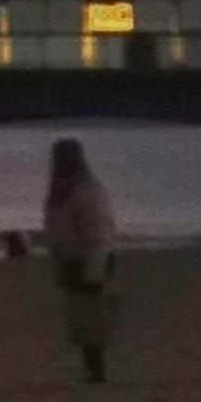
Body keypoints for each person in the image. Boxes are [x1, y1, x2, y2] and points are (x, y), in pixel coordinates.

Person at [45, 138, 120, 384]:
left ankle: (96, 371)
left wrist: (93, 268)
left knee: (90, 318)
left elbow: (97, 231)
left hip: (89, 259)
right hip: (74, 260)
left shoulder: (86, 188)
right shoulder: (63, 188)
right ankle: (90, 368)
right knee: (81, 318)